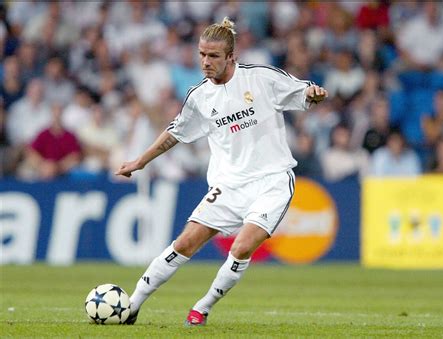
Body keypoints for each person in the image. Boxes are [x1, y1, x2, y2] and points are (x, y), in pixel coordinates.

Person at [115, 17, 328, 326]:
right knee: (184, 243)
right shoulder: (199, 98)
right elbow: (175, 132)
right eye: (202, 54)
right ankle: (132, 306)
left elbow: (301, 91)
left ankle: (203, 306)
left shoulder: (260, 79)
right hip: (228, 185)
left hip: (272, 181)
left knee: (241, 246)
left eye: (213, 56)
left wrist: (313, 94)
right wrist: (141, 161)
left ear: (232, 57)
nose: (205, 62)